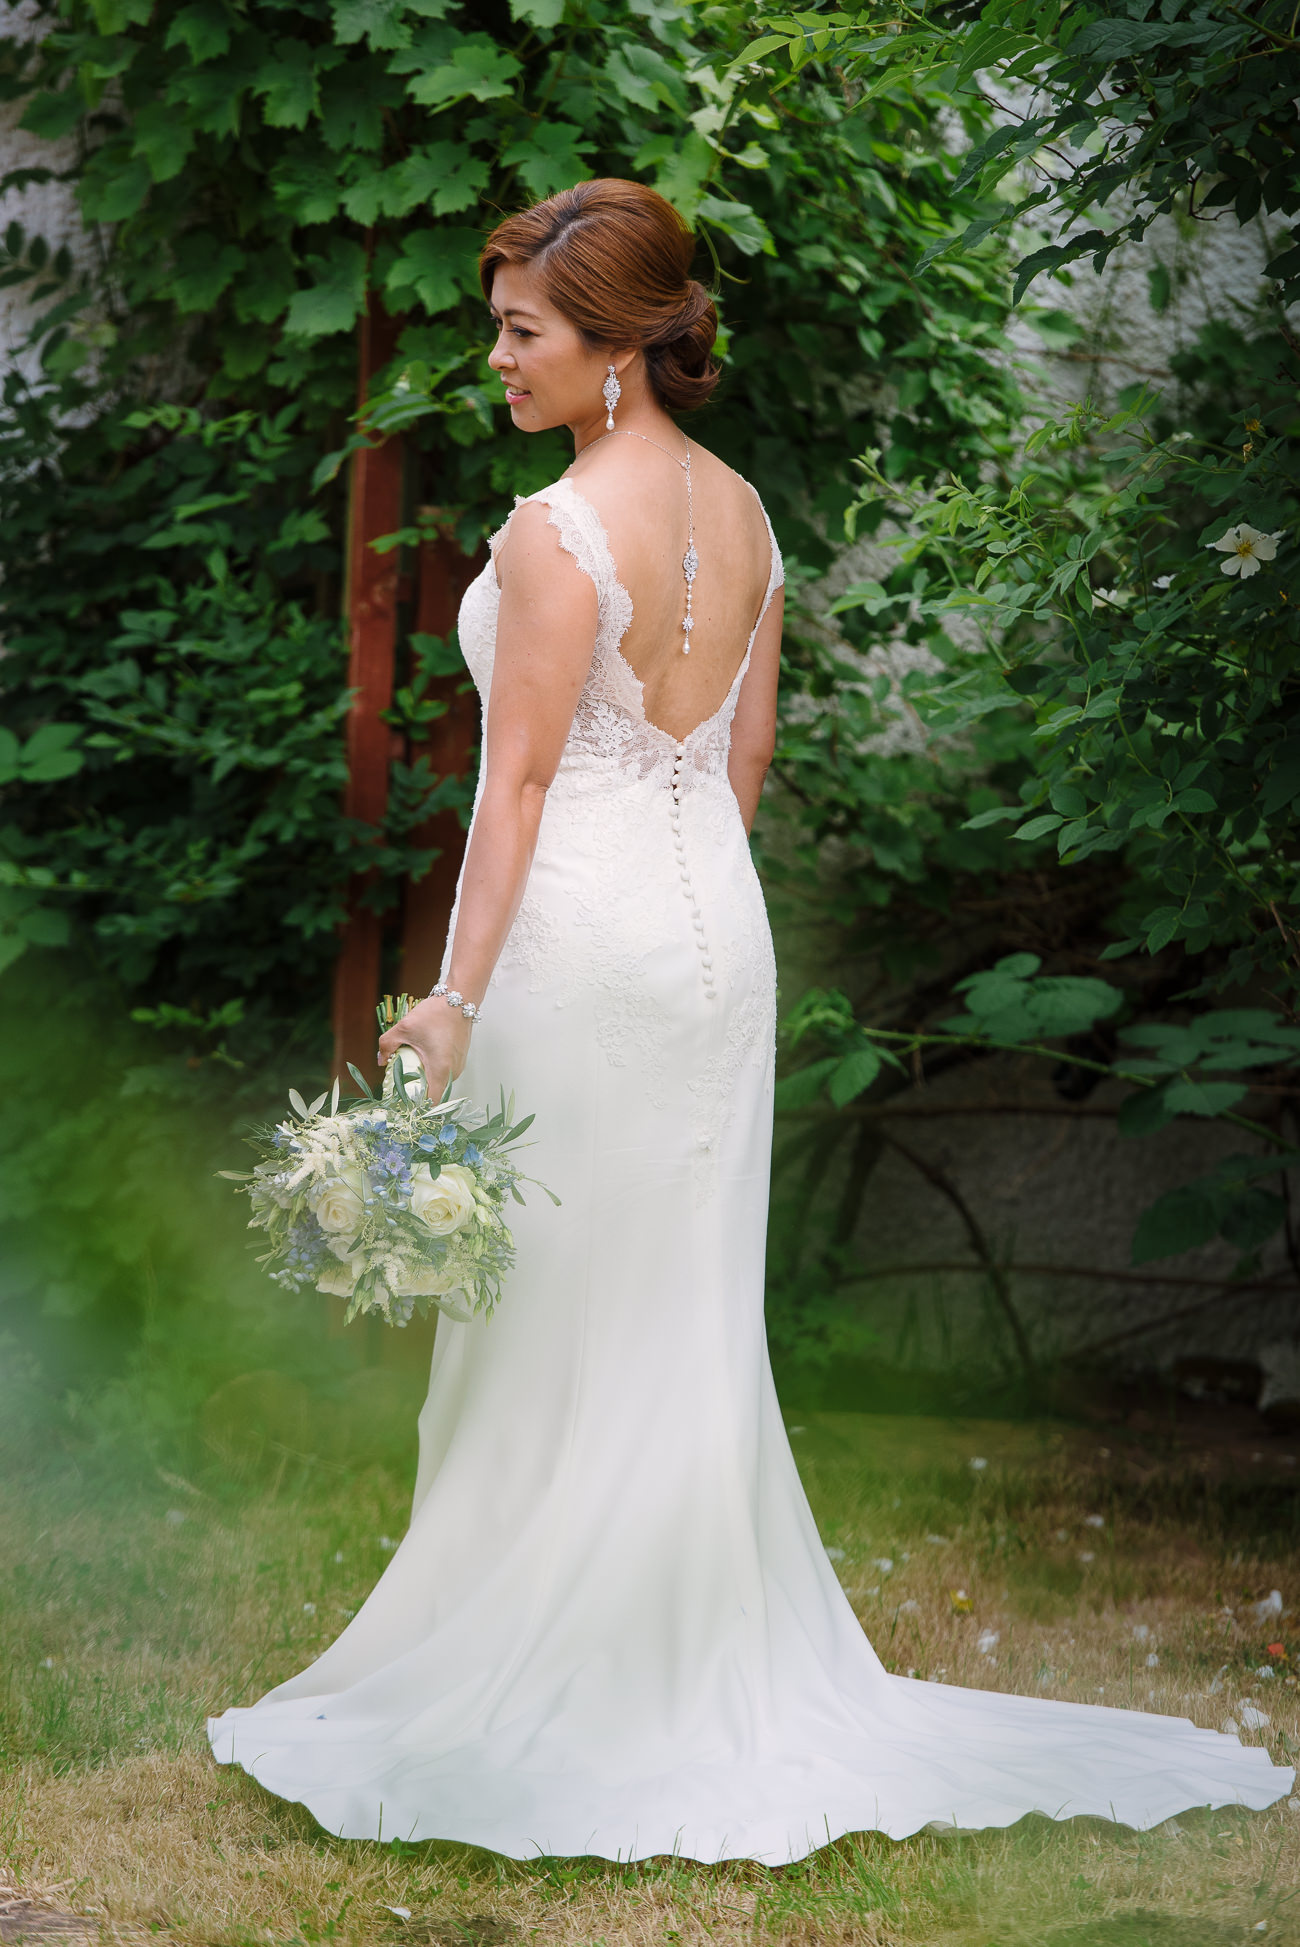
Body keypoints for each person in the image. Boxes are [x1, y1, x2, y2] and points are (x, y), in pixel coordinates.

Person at [208, 178, 1294, 1861]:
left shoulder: (552, 532)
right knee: (675, 1308)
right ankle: (672, 1649)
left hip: (580, 939)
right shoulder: (749, 516)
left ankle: (565, 1673)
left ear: (620, 351)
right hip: (716, 937)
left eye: (522, 333)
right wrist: (686, 906)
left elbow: (519, 792)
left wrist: (452, 1001)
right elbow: (746, 764)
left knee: (563, 1304)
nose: (495, 357)